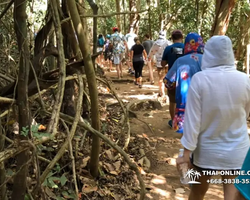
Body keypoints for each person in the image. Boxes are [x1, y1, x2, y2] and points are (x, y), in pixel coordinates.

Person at [177, 35, 250, 200]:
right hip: (237, 152)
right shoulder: (245, 79)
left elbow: (192, 121)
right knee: (232, 197)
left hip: (206, 152)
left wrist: (186, 153)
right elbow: (245, 114)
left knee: (196, 194)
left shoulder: (200, 79)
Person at [164, 32, 204, 133]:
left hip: (184, 101)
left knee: (187, 136)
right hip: (203, 100)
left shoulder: (180, 61)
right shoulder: (207, 60)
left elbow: (168, 81)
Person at [161, 30, 184, 128]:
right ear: (182, 37)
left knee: (172, 101)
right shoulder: (186, 48)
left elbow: (162, 63)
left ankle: (174, 122)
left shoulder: (168, 48)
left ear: (172, 38)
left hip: (173, 78)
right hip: (185, 77)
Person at [148, 31, 171, 96]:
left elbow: (151, 51)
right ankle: (167, 91)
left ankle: (162, 92)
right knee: (168, 77)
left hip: (159, 63)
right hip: (167, 62)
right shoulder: (168, 43)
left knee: (161, 78)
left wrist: (149, 57)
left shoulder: (156, 43)